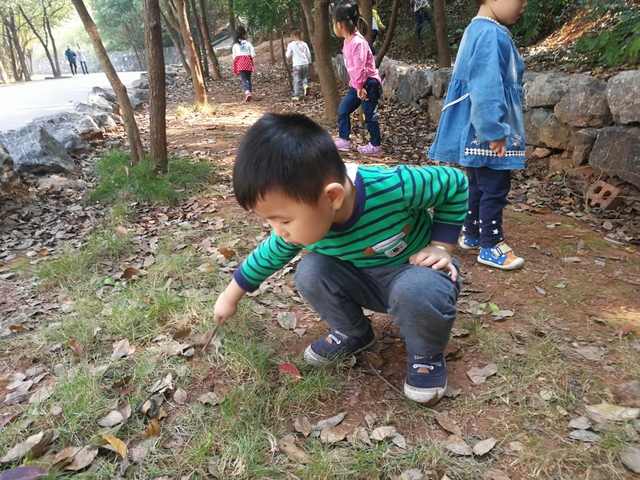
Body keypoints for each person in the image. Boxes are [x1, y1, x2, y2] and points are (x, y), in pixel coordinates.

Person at [214, 112, 469, 406]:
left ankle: (427, 354)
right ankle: (354, 333)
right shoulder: (306, 218)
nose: (279, 232)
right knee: (310, 270)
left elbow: (454, 183)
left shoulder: (394, 187)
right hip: (362, 280)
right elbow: (267, 256)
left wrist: (441, 247)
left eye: (283, 220)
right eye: (271, 221)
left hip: (417, 275)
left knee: (418, 289)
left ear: (332, 197)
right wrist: (230, 297)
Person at [428, 0, 528, 270]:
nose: (524, 5)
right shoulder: (490, 33)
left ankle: (472, 233)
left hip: (475, 130)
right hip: (486, 131)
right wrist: (493, 130)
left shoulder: (478, 28)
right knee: (495, 186)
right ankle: (491, 244)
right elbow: (486, 86)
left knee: (478, 184)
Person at [333, 2, 383, 156]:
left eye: (333, 23)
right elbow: (353, 67)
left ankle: (375, 145)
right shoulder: (347, 42)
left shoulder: (358, 42)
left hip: (368, 84)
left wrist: (360, 87)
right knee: (343, 109)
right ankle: (344, 140)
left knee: (369, 115)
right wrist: (356, 84)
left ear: (339, 24)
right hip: (358, 85)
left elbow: (361, 67)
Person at [285, 26, 312, 101]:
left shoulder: (291, 45)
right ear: (301, 35)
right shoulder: (304, 44)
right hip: (305, 64)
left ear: (292, 36)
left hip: (297, 65)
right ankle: (305, 85)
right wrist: (310, 63)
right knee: (304, 77)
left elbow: (287, 55)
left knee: (296, 81)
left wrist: (287, 53)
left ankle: (296, 96)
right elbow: (308, 54)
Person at [232, 25, 256, 102]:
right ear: (244, 35)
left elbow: (234, 57)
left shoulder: (235, 46)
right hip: (248, 63)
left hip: (240, 64)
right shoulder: (249, 44)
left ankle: (247, 93)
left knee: (244, 79)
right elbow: (253, 55)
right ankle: (250, 93)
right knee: (248, 79)